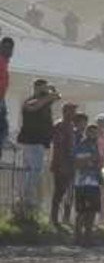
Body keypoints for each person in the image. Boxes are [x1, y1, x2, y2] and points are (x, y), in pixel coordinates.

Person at [16, 80, 59, 217]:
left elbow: (57, 96)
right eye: (42, 88)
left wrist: (51, 91)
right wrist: (46, 95)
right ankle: (26, 199)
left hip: (40, 143)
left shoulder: (45, 100)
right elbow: (33, 107)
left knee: (36, 172)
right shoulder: (30, 101)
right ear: (36, 88)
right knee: (32, 171)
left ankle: (28, 199)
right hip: (30, 142)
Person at [49, 104, 82, 229]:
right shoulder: (60, 126)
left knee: (70, 193)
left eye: (74, 111)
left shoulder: (72, 127)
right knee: (59, 192)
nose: (73, 113)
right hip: (61, 164)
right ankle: (54, 219)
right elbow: (59, 147)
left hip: (71, 164)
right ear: (65, 112)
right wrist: (61, 164)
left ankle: (66, 218)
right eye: (71, 111)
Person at [72, 121, 104, 245]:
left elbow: (97, 163)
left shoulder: (95, 146)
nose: (94, 135)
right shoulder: (81, 145)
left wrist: (99, 175)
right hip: (82, 182)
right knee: (82, 211)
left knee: (92, 211)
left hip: (93, 182)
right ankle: (78, 236)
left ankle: (88, 236)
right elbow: (77, 162)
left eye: (95, 133)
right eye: (91, 132)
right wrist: (90, 160)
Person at [0, 36, 13, 148]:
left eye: (10, 48)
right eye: (6, 47)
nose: (9, 51)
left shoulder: (4, 62)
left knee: (4, 129)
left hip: (1, 99)